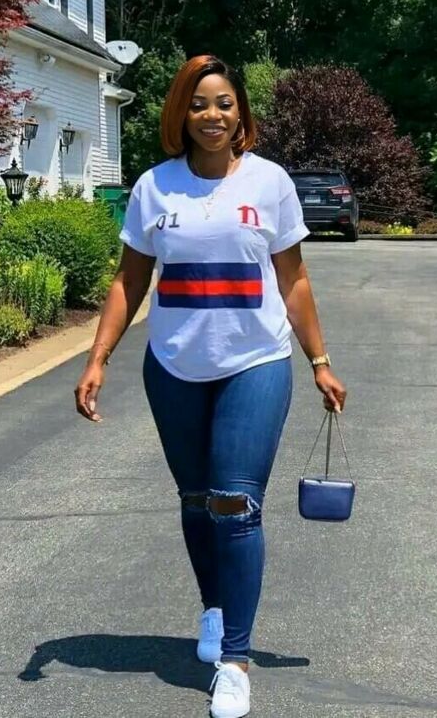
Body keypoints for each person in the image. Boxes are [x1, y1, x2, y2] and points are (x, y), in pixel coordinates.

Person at [74, 54, 347, 718]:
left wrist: (319, 360)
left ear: (240, 113)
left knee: (234, 502)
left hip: (255, 361)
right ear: (181, 113)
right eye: (199, 103)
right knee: (196, 499)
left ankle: (235, 660)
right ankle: (216, 609)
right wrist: (98, 357)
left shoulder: (270, 182)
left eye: (224, 102)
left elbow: (294, 279)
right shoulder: (154, 187)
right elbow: (129, 280)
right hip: (173, 367)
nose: (212, 115)